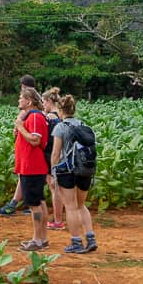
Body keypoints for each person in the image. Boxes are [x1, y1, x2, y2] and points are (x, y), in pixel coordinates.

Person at [51, 94, 98, 254]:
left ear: (60, 110)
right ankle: (90, 238)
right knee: (81, 205)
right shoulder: (83, 125)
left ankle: (76, 241)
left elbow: (56, 154)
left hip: (67, 171)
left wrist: (53, 172)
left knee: (70, 207)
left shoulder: (60, 127)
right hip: (85, 170)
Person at [0, 74, 38, 216]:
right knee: (26, 175)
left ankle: (18, 204)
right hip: (25, 143)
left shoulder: (32, 101)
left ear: (25, 86)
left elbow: (32, 133)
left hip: (30, 146)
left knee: (29, 175)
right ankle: (26, 203)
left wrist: (19, 127)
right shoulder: (33, 101)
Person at [16, 86, 50, 251]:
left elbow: (35, 140)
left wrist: (20, 126)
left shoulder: (35, 117)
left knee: (34, 204)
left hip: (32, 166)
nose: (18, 101)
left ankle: (37, 239)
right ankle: (42, 238)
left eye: (21, 98)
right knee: (40, 202)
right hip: (31, 166)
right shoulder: (33, 116)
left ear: (28, 101)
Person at [42, 88, 66, 230]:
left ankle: (57, 220)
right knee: (57, 187)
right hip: (62, 153)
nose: (43, 105)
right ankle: (59, 218)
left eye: (44, 102)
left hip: (51, 154)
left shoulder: (50, 117)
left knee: (54, 187)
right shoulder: (62, 115)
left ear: (49, 101)